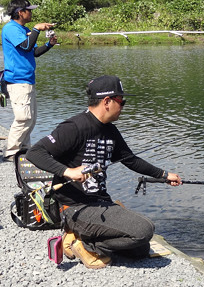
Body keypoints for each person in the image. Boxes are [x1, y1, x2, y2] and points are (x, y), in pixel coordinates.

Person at [26, 75, 182, 269]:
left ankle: (79, 236)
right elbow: (35, 153)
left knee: (140, 249)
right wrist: (68, 171)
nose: (123, 106)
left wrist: (165, 175)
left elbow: (131, 160)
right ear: (107, 101)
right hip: (75, 206)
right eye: (121, 101)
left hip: (100, 201)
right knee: (144, 229)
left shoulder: (111, 131)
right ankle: (84, 245)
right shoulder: (75, 127)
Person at [1, 0, 58, 161]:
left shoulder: (22, 29)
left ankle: (24, 149)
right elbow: (25, 46)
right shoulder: (11, 29)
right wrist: (36, 29)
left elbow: (34, 52)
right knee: (23, 118)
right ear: (20, 13)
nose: (31, 13)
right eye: (29, 10)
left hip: (27, 80)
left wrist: (49, 45)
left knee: (31, 118)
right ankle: (11, 152)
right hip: (17, 80)